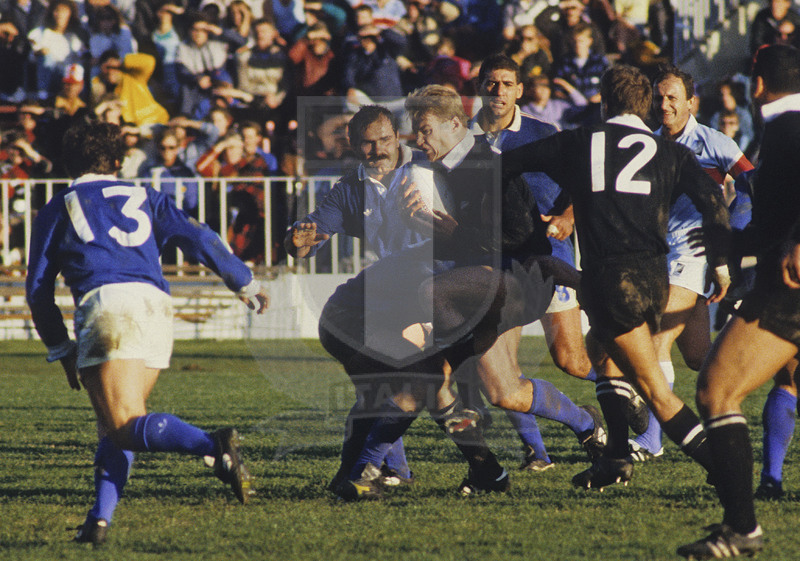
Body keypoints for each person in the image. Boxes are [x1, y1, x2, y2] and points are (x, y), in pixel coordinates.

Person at [25, 120, 270, 545]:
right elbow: (197, 235)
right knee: (116, 423)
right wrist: (241, 279)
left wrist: (58, 346)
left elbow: (37, 288)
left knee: (123, 424)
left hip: (109, 305)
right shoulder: (148, 195)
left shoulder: (59, 205)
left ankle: (211, 445)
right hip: (156, 305)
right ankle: (98, 522)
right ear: (118, 163)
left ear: (69, 165)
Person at [501, 64, 731, 490]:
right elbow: (714, 200)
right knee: (601, 354)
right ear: (645, 108)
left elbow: (507, 164)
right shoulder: (671, 151)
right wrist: (720, 264)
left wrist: (516, 228)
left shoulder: (579, 142)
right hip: (652, 280)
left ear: (604, 103)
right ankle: (616, 458)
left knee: (656, 392)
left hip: (611, 280)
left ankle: (724, 471)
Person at [286, 105, 501, 500]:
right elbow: (314, 231)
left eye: (385, 139)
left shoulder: (430, 170)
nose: (378, 149)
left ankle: (378, 471)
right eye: (368, 143)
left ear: (397, 136)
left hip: (438, 293)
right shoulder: (350, 189)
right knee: (420, 386)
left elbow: (476, 220)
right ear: (353, 145)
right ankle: (477, 469)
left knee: (481, 385)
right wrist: (298, 240)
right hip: (395, 300)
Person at [677, 44, 800, 560]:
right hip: (779, 276)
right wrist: (738, 244)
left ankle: (742, 529)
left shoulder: (788, 125)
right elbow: (775, 220)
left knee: (716, 389)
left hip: (789, 288)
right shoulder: (783, 127)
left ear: (757, 84)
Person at [468, 54, 601, 470]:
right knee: (502, 369)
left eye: (507, 84)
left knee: (572, 361)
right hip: (498, 264)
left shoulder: (544, 133)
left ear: (520, 90)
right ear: (480, 87)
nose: (499, 91)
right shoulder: (463, 140)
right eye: (491, 83)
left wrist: (565, 217)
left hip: (549, 255)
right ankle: (538, 453)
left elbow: (582, 183)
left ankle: (628, 392)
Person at [626, 64, 753, 461]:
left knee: (657, 339)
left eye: (672, 98)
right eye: (659, 97)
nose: (664, 105)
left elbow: (751, 188)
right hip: (656, 254)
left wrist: (730, 239)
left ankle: (651, 441)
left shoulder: (715, 143)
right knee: (698, 356)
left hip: (694, 251)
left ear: (690, 102)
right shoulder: (645, 144)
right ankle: (749, 379)